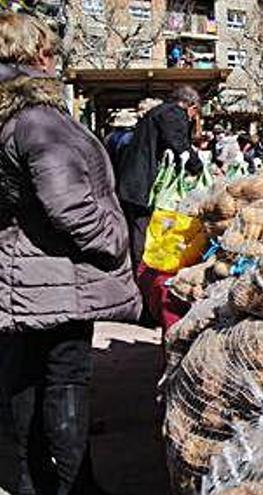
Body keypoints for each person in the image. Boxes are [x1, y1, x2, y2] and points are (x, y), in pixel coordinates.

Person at [0, 13, 141, 494]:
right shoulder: (36, 119)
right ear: (33, 55)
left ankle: (30, 479)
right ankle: (71, 485)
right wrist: (114, 237)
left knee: (27, 379)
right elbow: (68, 203)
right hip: (55, 277)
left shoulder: (15, 115)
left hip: (31, 273)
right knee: (64, 378)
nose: (54, 61)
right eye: (49, 52)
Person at [117, 85, 203, 268]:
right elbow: (178, 143)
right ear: (192, 106)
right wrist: (197, 167)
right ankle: (141, 272)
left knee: (136, 229)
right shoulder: (173, 114)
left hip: (133, 180)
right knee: (144, 229)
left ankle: (136, 268)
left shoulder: (159, 112)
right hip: (142, 183)